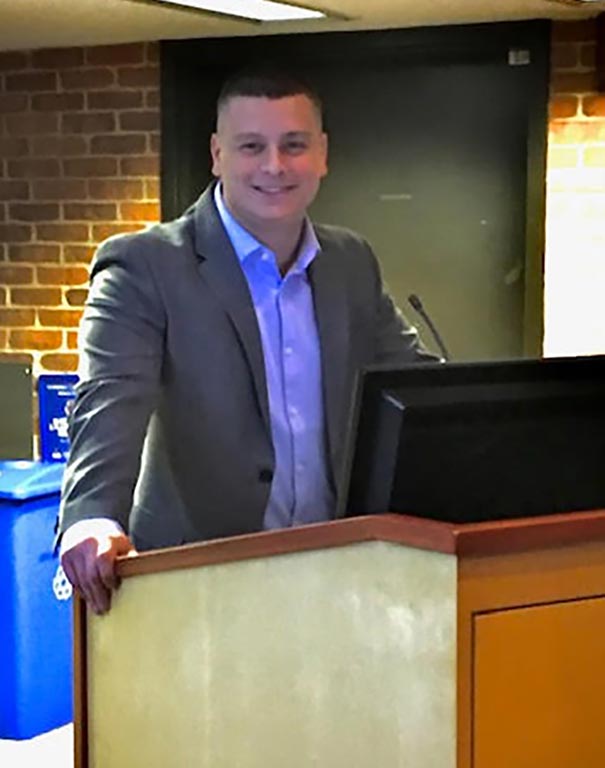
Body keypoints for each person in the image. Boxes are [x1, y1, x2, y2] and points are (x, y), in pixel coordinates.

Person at [58, 68, 437, 615]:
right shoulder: (146, 266)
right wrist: (93, 515)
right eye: (251, 146)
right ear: (217, 154)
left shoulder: (351, 261)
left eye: (294, 145)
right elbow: (109, 401)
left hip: (338, 576)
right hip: (198, 586)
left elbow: (412, 385)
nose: (274, 166)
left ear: (323, 154)